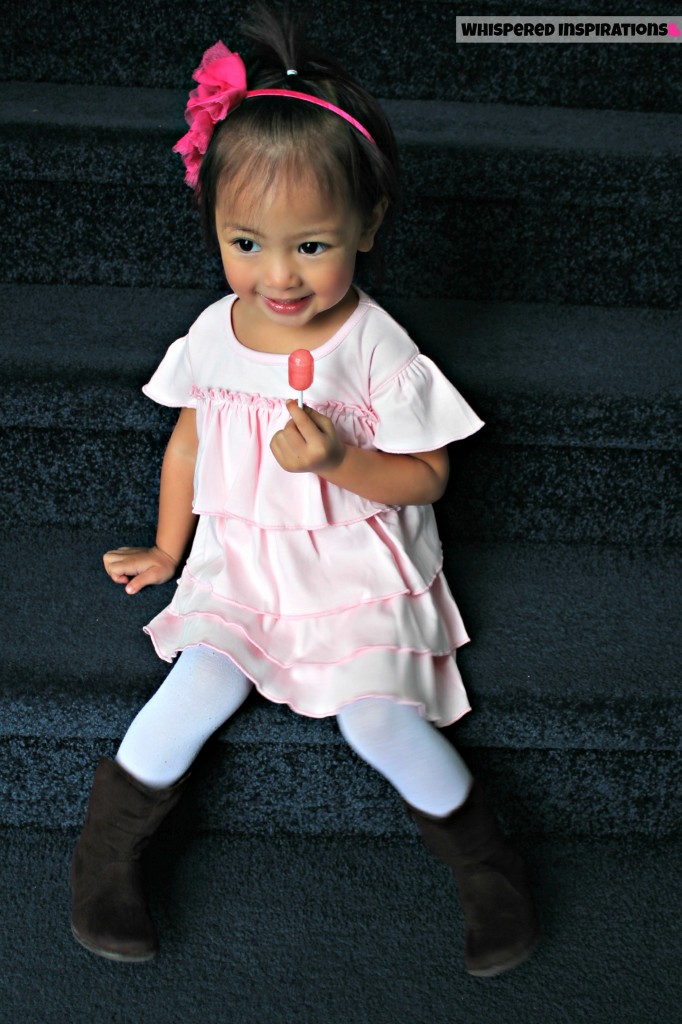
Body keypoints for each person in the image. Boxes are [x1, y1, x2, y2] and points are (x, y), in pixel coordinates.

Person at [70, 5, 539, 976]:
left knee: (379, 718)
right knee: (194, 682)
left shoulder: (373, 344)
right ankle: (104, 856)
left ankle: (486, 869)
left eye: (311, 247)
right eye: (246, 244)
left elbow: (428, 473)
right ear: (215, 229)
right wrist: (168, 549)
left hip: (348, 569)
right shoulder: (212, 332)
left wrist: (337, 463)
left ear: (366, 226)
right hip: (242, 562)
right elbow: (190, 442)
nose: (277, 276)